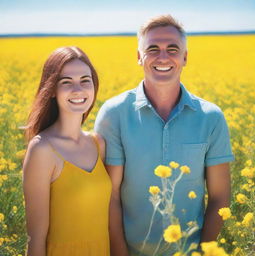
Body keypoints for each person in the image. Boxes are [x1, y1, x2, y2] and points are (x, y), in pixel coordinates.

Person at [94, 15, 234, 256]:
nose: (163, 57)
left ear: (185, 57)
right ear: (139, 57)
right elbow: (110, 195)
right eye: (152, 49)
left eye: (172, 49)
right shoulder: (114, 113)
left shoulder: (211, 117)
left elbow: (220, 196)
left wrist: (202, 252)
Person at [23, 46, 111, 256]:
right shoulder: (42, 149)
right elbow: (35, 239)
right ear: (52, 89)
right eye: (66, 82)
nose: (78, 89)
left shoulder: (98, 144)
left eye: (85, 80)